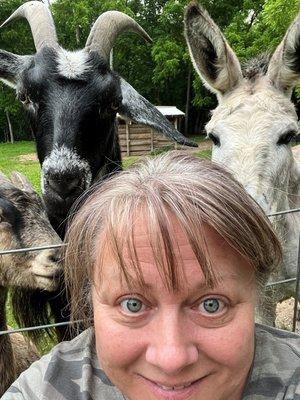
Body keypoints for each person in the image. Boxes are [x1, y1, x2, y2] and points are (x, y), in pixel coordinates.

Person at [2, 152, 300, 400]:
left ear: (257, 294)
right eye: (132, 304)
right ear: (90, 300)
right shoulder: (42, 391)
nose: (172, 361)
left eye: (212, 304)